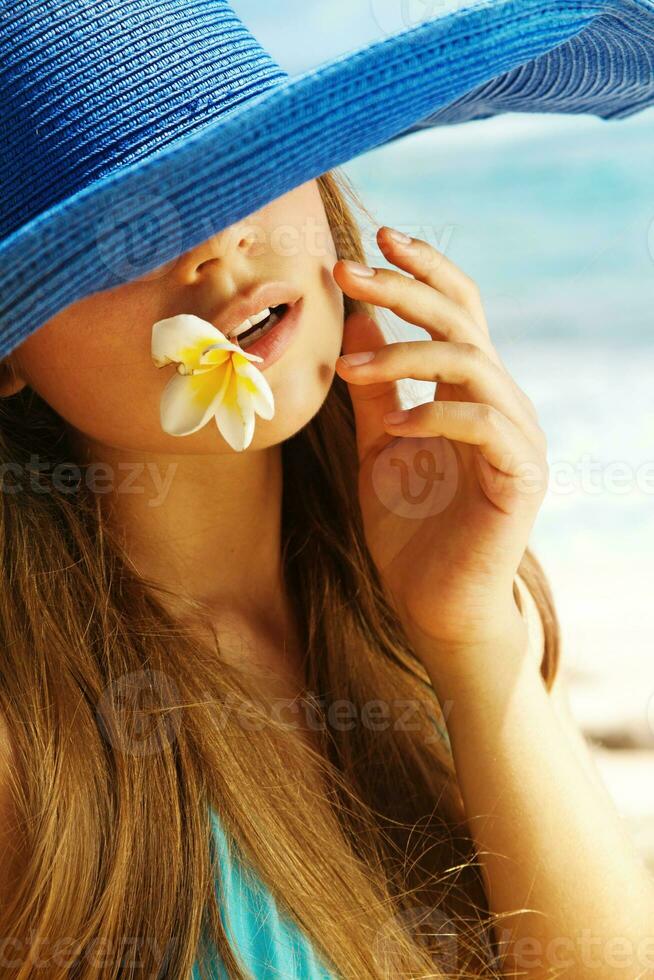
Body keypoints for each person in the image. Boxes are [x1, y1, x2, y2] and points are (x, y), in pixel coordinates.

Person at [1, 2, 654, 977]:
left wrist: (474, 637)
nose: (215, 248)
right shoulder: (29, 746)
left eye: (242, 170)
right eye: (112, 236)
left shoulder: (439, 607)